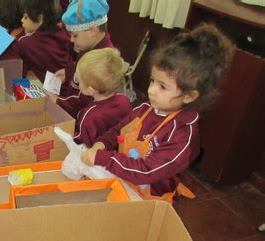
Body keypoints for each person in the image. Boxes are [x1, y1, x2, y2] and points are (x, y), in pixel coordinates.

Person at [81, 24, 233, 203]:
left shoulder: (181, 136)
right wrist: (101, 144)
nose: (151, 90)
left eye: (162, 86)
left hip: (150, 199)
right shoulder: (145, 109)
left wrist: (105, 158)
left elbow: (146, 170)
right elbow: (117, 130)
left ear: (189, 96)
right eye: (153, 80)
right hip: (126, 182)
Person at [56, 0, 116, 118]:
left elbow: (84, 99)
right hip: (70, 103)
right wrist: (69, 73)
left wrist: (57, 101)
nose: (72, 40)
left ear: (92, 31)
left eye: (75, 35)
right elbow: (81, 70)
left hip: (78, 116)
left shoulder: (102, 61)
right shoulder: (88, 45)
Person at [5, 0, 74, 95]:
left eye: (26, 17)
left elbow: (19, 72)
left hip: (49, 94)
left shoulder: (25, 43)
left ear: (40, 19)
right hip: (70, 87)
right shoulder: (63, 33)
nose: (22, 20)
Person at [72, 48, 131, 147]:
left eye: (79, 79)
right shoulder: (124, 100)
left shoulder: (89, 116)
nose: (77, 81)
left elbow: (82, 145)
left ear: (91, 90)